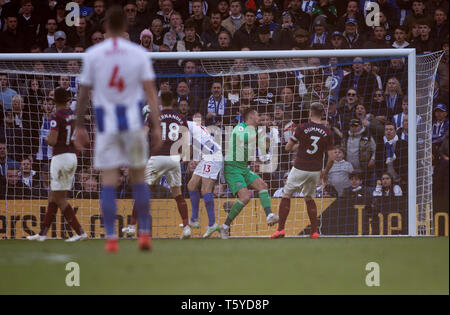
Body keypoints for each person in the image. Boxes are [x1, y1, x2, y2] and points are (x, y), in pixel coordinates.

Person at [74, 6, 162, 253]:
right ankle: (144, 234)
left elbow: (82, 95)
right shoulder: (138, 54)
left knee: (109, 182)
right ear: (126, 27)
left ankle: (111, 239)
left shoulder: (93, 54)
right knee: (138, 180)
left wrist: (79, 126)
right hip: (133, 125)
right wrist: (156, 126)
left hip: (106, 127)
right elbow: (151, 93)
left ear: (104, 28)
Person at [27, 88, 87, 242]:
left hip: (60, 157)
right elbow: (84, 139)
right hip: (72, 156)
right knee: (53, 196)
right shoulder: (73, 116)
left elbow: (52, 141)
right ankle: (42, 234)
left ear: (54, 101)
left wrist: (46, 138)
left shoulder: (56, 116)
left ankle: (80, 232)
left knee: (59, 198)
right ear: (67, 100)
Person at [271, 102, 335, 239]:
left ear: (310, 113)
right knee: (309, 198)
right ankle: (314, 231)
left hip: (300, 166)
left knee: (287, 195)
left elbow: (288, 148)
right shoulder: (327, 132)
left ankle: (280, 229)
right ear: (322, 114)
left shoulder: (302, 127)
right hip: (315, 170)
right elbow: (332, 157)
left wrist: (301, 145)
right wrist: (325, 172)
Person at [220, 107, 279, 239]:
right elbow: (244, 139)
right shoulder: (240, 127)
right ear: (251, 116)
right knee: (245, 197)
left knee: (262, 186)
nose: (260, 118)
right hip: (232, 168)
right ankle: (225, 226)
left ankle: (269, 216)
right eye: (258, 116)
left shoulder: (253, 130)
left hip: (243, 168)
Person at [141, 91, 192, 240]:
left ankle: (132, 227)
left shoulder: (153, 116)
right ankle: (187, 227)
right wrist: (184, 157)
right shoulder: (181, 118)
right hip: (174, 158)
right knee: (178, 195)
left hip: (157, 157)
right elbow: (186, 139)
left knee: (143, 191)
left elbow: (144, 134)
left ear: (160, 101)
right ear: (174, 102)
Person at [186, 118, 223, 238]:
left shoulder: (184, 126)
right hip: (206, 156)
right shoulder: (191, 126)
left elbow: (189, 148)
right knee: (191, 185)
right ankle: (194, 218)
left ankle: (212, 223)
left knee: (205, 190)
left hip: (213, 156)